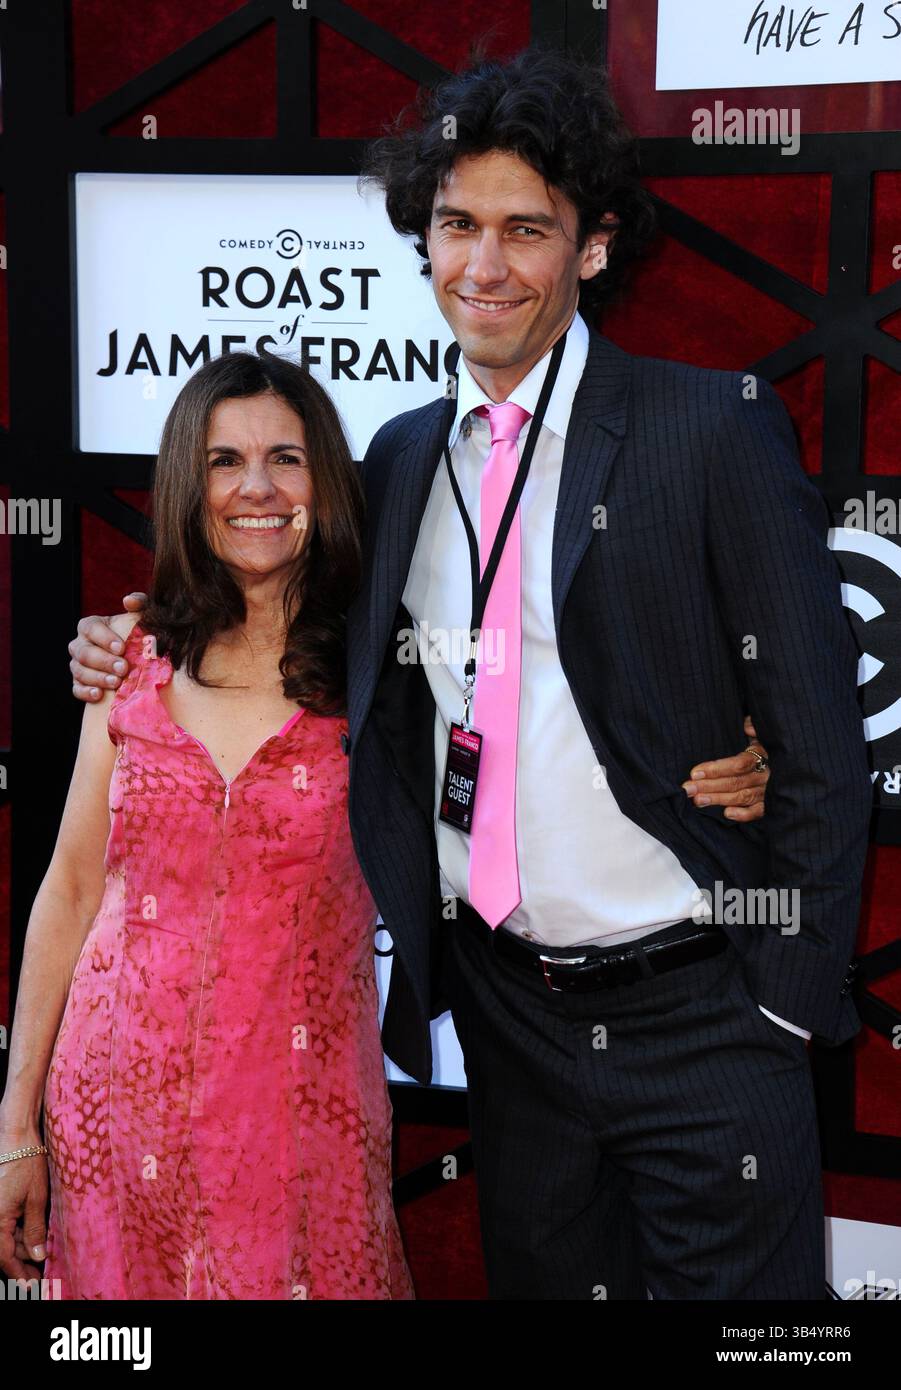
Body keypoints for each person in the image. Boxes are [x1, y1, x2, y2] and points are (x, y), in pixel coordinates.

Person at [62, 45, 852, 1301]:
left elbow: (818, 744)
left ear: (591, 247)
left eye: (525, 230)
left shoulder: (707, 430)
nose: (484, 266)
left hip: (705, 1014)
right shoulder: (393, 457)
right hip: (509, 1023)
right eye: (456, 225)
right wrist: (125, 640)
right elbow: (271, 627)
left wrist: (783, 1008)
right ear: (423, 241)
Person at [0, 351, 414, 1299]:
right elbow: (68, 890)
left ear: (329, 482)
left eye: (286, 458)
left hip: (298, 1128)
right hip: (111, 1116)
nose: (256, 488)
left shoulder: (381, 674)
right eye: (225, 462)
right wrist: (15, 1125)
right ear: (191, 486)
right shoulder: (131, 662)